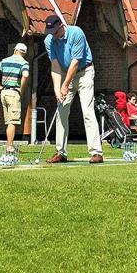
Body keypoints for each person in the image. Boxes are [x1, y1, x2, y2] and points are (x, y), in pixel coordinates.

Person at [43, 15, 103, 164]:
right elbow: (55, 66)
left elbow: (75, 63)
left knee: (87, 111)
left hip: (85, 72)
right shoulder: (49, 41)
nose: (54, 35)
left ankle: (96, 152)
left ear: (62, 26)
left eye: (56, 31)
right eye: (51, 32)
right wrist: (57, 89)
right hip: (64, 73)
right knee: (61, 111)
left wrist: (65, 85)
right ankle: (60, 152)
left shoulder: (76, 33)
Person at [0, 42, 30, 155]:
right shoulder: (24, 63)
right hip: (14, 92)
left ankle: (10, 144)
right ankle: (10, 147)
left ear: (15, 50)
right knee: (13, 121)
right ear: (24, 53)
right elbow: (25, 75)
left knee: (8, 122)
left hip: (4, 92)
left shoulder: (5, 61)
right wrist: (21, 89)